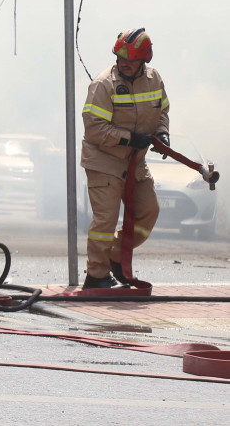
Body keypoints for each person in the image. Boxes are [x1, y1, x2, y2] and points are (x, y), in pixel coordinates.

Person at [80, 28, 169, 289]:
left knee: (148, 212)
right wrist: (129, 138)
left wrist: (162, 134)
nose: (123, 63)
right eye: (120, 58)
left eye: (130, 59)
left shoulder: (154, 80)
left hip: (135, 162)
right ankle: (96, 276)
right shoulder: (103, 85)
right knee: (105, 221)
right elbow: (94, 129)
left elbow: (162, 110)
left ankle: (117, 256)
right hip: (104, 160)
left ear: (144, 60)